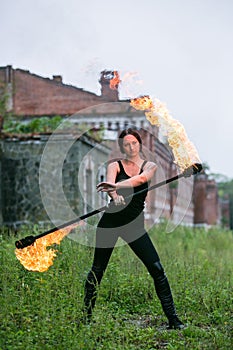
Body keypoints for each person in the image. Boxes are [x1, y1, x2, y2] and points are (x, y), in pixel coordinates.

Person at [83, 128, 184, 329]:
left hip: (133, 226)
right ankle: (86, 319)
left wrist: (119, 187)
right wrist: (115, 195)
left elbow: (140, 180)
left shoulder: (150, 166)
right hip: (110, 223)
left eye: (134, 143)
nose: (131, 147)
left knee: (157, 269)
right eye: (126, 144)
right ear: (122, 147)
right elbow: (110, 185)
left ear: (139, 144)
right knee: (97, 270)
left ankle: (174, 320)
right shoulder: (115, 165)